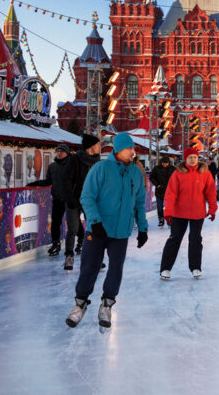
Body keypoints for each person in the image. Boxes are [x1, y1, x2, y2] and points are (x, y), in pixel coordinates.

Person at [64, 133, 149, 329]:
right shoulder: (101, 168)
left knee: (116, 269)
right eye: (130, 149)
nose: (133, 152)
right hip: (98, 230)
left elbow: (139, 204)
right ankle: (80, 305)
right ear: (118, 149)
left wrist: (142, 229)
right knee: (89, 268)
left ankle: (107, 304)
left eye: (133, 149)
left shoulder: (135, 173)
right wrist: (94, 222)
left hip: (121, 232)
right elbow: (87, 197)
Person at [160, 148, 217, 280]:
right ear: (185, 159)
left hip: (198, 212)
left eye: (195, 157)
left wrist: (212, 209)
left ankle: (195, 267)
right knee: (174, 239)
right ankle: (165, 268)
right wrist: (168, 211)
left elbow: (211, 192)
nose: (192, 159)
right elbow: (170, 193)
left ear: (198, 158)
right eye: (190, 157)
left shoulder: (205, 173)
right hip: (179, 212)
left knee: (196, 239)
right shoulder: (177, 174)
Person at [62, 134, 102, 270]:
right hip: (74, 199)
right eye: (98, 145)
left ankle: (95, 258)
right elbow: (66, 180)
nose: (99, 147)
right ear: (91, 147)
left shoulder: (97, 161)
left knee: (93, 228)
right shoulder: (74, 159)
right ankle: (69, 257)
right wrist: (70, 198)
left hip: (90, 201)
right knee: (73, 229)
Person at [28, 143, 71, 256]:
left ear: (67, 153)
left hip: (70, 199)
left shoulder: (72, 165)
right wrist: (36, 183)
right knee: (55, 223)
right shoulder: (52, 166)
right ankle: (55, 244)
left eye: (62, 151)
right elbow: (48, 181)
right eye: (58, 151)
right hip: (57, 199)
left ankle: (81, 240)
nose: (59, 153)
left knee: (73, 222)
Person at [149, 156, 173, 228]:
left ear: (169, 163)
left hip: (169, 191)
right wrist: (157, 184)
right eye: (163, 163)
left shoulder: (172, 169)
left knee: (169, 207)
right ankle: (161, 220)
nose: (164, 164)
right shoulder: (156, 168)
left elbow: (177, 178)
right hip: (159, 191)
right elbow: (152, 177)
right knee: (159, 207)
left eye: (166, 163)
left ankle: (169, 221)